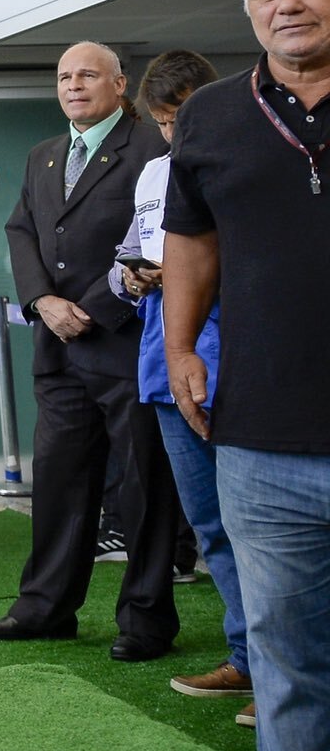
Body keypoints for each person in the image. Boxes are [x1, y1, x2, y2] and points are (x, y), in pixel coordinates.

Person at [165, 0, 330, 751]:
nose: (288, 4)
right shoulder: (212, 114)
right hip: (260, 445)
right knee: (286, 663)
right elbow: (191, 239)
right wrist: (180, 346)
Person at [0, 42, 175, 661]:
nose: (73, 85)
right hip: (57, 349)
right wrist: (41, 301)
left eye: (88, 74)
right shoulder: (43, 155)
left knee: (142, 486)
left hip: (125, 343)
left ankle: (146, 620)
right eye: (64, 76)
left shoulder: (153, 148)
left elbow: (154, 238)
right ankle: (45, 609)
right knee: (60, 482)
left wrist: (89, 308)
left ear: (119, 85)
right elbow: (20, 231)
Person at [107, 50, 248, 707]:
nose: (173, 131)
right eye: (163, 121)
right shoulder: (154, 174)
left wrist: (193, 277)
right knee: (211, 524)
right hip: (164, 365)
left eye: (181, 116)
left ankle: (290, 670)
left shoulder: (243, 160)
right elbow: (127, 257)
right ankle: (249, 658)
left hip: (237, 362)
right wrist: (134, 278)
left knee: (263, 527)